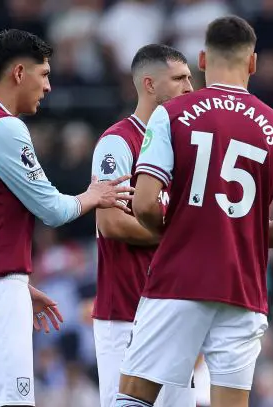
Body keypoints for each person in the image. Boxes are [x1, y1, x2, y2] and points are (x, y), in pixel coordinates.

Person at [115, 15, 273, 407]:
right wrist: (241, 229)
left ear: (202, 59)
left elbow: (142, 202)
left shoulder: (171, 114)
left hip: (179, 277)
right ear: (253, 63)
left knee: (135, 395)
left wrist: (183, 226)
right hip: (243, 286)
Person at [0, 29, 133, 407]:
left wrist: (13, 279)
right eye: (44, 74)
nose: (48, 86)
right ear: (19, 73)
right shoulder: (5, 126)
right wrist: (94, 195)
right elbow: (52, 209)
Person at [91, 43, 195, 407]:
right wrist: (176, 237)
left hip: (175, 315)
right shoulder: (118, 142)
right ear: (149, 84)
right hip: (125, 315)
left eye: (190, 79)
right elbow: (111, 222)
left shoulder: (184, 147)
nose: (189, 88)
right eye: (180, 79)